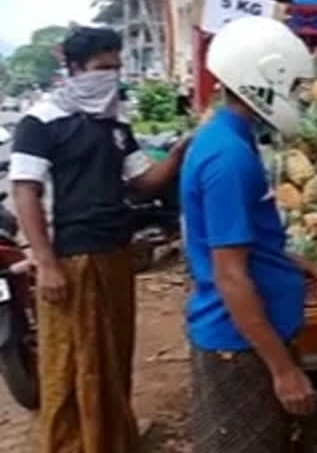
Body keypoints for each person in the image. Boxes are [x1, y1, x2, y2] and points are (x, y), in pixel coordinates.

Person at [9, 27, 188, 453]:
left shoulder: (114, 124)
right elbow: (24, 192)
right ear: (73, 69)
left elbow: (143, 182)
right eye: (102, 68)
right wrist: (46, 262)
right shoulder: (41, 121)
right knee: (70, 360)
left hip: (115, 254)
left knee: (112, 354)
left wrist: (179, 154)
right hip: (69, 259)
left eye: (116, 67)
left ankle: (111, 440)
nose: (110, 76)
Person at [181, 16, 317, 452]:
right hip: (239, 345)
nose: (300, 96)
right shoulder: (229, 159)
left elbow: (233, 244)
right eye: (295, 85)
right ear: (267, 78)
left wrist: (288, 263)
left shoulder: (228, 141)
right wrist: (283, 369)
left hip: (244, 338)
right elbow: (230, 276)